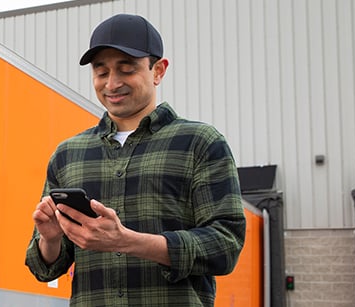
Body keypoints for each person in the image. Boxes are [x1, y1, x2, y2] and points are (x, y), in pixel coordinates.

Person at [24, 14, 246, 306]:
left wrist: (128, 241)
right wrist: (50, 240)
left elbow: (226, 244)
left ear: (158, 70)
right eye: (101, 72)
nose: (112, 83)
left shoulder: (200, 143)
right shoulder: (68, 155)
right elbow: (44, 268)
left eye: (126, 69)